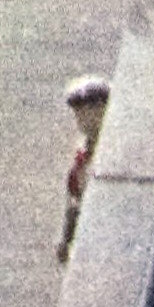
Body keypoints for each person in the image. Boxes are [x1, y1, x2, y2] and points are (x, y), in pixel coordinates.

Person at [58, 74, 111, 257]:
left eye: (86, 110)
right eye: (78, 112)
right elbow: (75, 202)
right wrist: (66, 240)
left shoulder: (112, 151)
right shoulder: (82, 156)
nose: (81, 117)